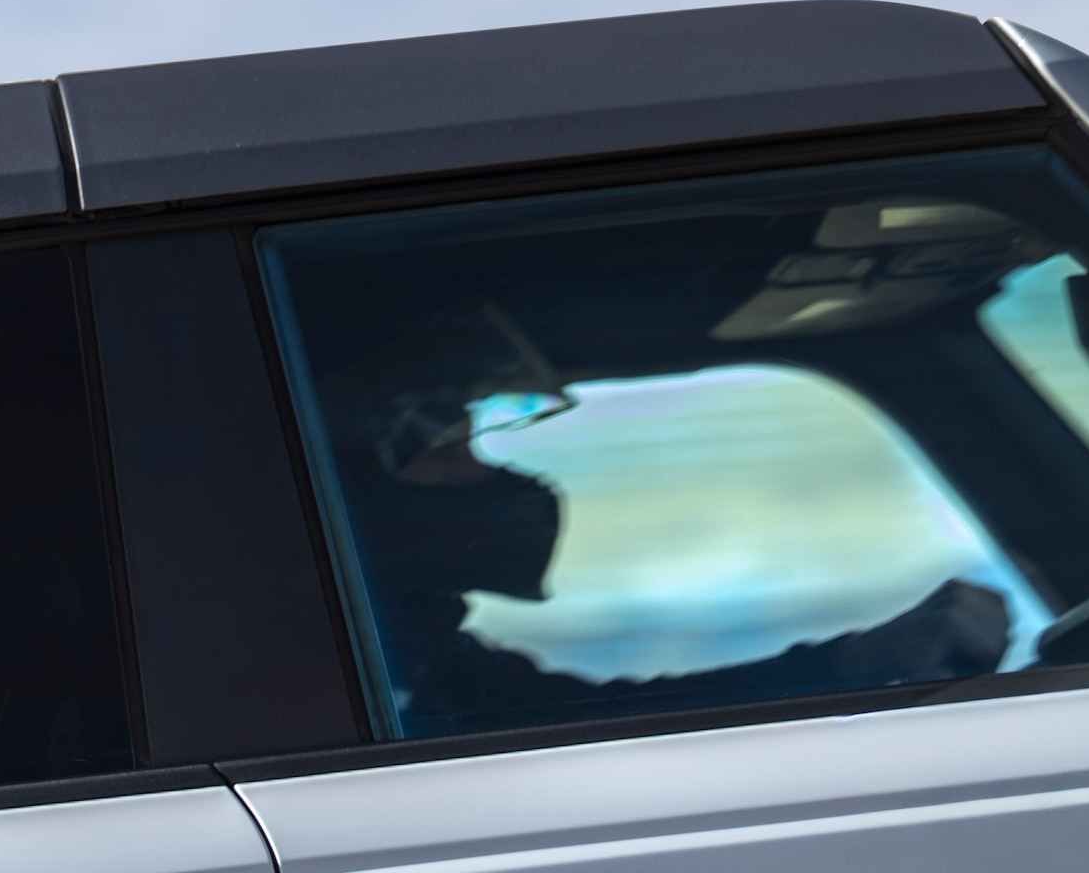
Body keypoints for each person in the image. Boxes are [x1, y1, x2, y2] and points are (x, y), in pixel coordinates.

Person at [330, 309, 1009, 737]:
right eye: (450, 451)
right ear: (358, 489)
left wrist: (855, 660)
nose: (502, 478)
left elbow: (601, 726)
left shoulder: (412, 652)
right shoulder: (361, 673)